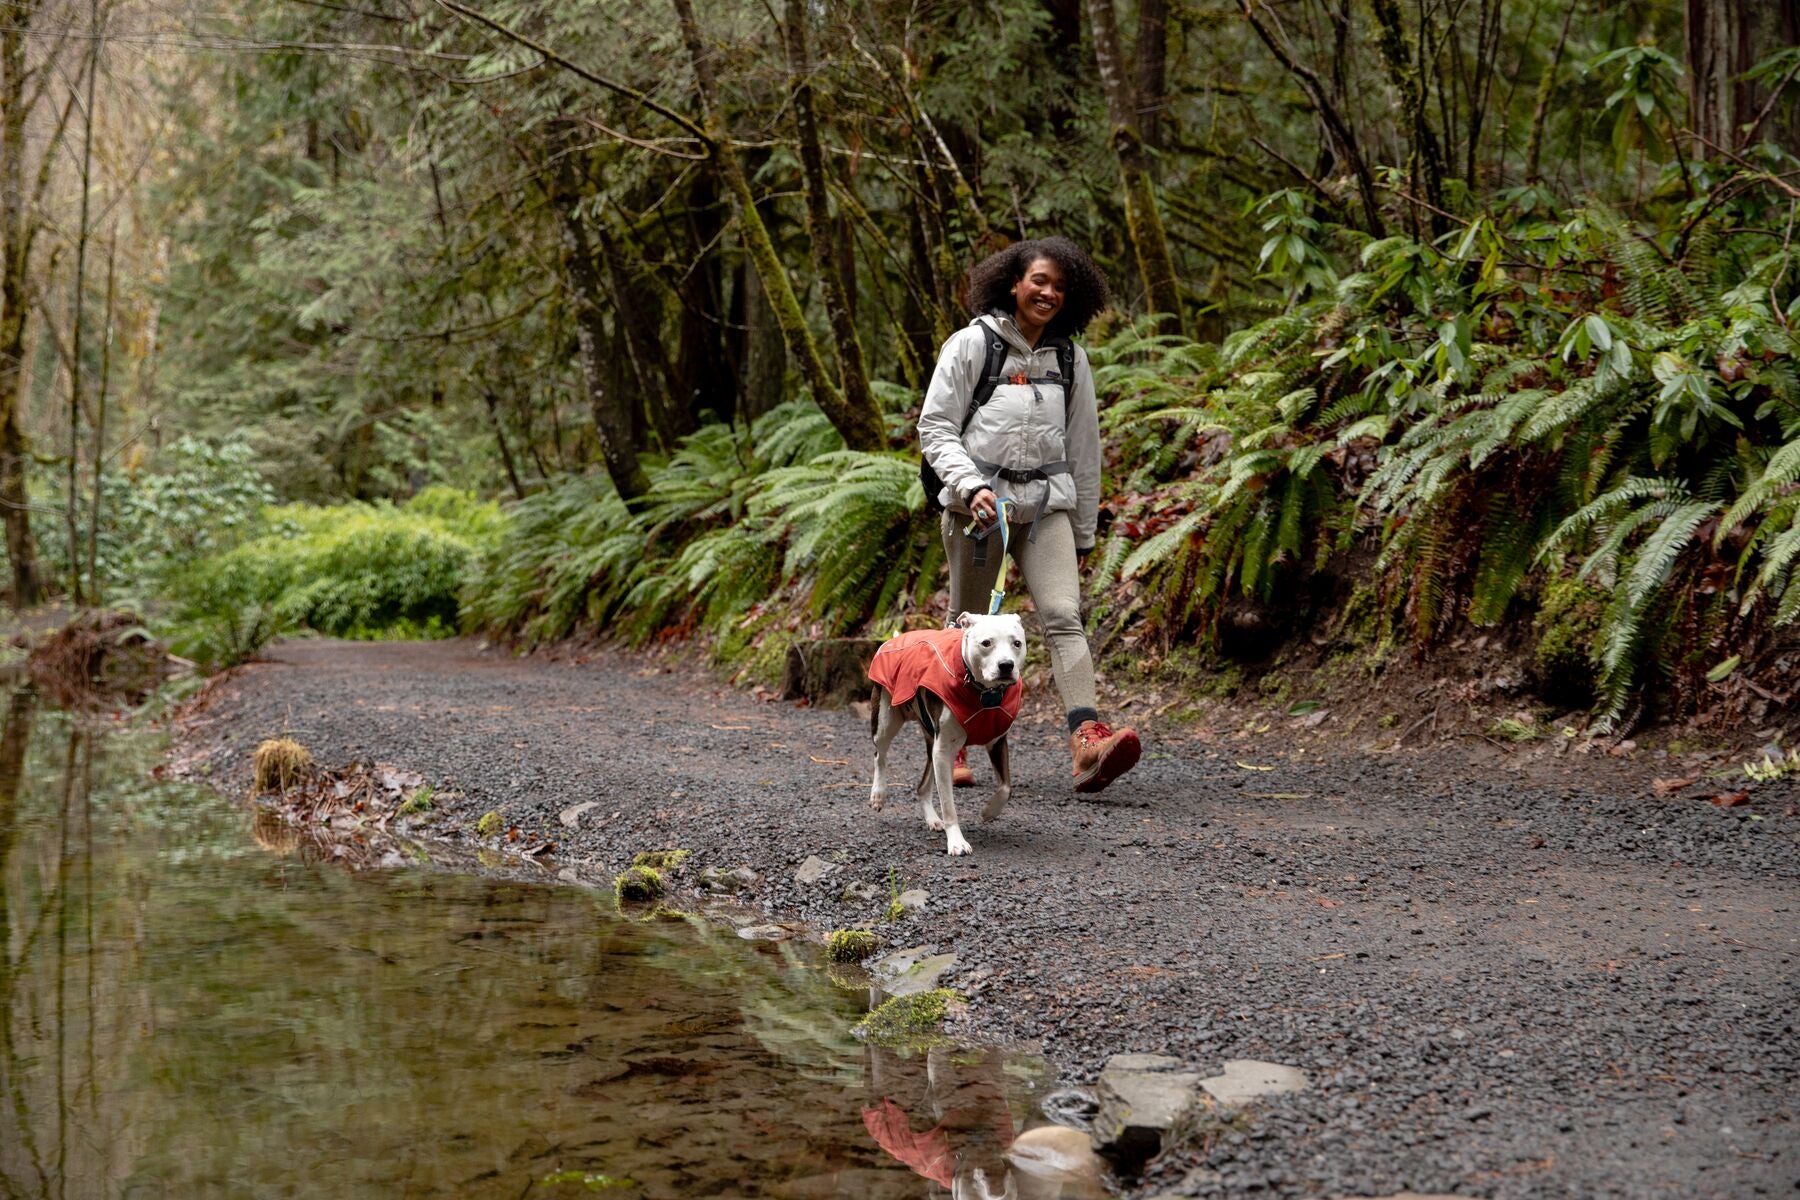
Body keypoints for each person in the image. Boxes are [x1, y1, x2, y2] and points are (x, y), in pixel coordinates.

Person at [918, 236, 1140, 793]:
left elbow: (1084, 450)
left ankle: (1087, 742)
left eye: (1060, 287)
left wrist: (1083, 533)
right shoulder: (972, 344)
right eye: (1039, 281)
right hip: (979, 509)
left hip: (1047, 508)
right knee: (967, 621)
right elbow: (935, 426)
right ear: (1013, 283)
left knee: (1064, 614)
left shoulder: (1070, 359)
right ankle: (952, 739)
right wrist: (969, 485)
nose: (1049, 293)